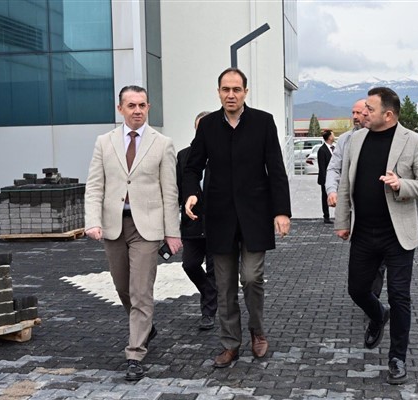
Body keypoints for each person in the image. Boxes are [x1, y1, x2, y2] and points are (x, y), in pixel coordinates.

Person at [182, 67, 291, 368]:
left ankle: (257, 330)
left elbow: (276, 169)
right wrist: (191, 194)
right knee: (225, 284)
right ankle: (230, 343)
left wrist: (281, 211)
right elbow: (192, 167)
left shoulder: (263, 122)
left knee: (252, 278)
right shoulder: (207, 126)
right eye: (225, 89)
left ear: (245, 92)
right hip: (219, 217)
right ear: (218, 92)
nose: (231, 95)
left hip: (255, 215)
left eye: (236, 89)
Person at [334, 87, 418, 385]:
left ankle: (397, 358)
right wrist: (342, 221)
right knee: (357, 290)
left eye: (369, 108)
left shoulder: (414, 141)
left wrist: (401, 184)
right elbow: (345, 184)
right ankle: (379, 315)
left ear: (388, 115)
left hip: (398, 235)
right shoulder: (356, 140)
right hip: (364, 233)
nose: (363, 112)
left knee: (399, 296)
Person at [84, 85, 183, 382]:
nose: (137, 110)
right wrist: (92, 221)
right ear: (120, 109)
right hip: (113, 225)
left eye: (142, 105)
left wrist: (172, 232)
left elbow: (170, 191)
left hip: (147, 228)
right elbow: (95, 186)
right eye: (131, 105)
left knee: (141, 290)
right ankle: (145, 325)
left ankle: (135, 353)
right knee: (122, 287)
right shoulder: (104, 142)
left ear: (148, 107)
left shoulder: (162, 144)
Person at [326, 99, 386, 299]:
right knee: (362, 263)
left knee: (380, 263)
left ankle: (374, 300)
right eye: (353, 112)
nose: (355, 116)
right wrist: (331, 190)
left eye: (359, 112)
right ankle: (367, 296)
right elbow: (334, 168)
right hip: (356, 212)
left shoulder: (383, 138)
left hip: (382, 212)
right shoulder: (346, 140)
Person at [176, 111, 218, 330]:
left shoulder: (222, 155)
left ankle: (208, 313)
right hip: (191, 223)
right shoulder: (184, 156)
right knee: (190, 264)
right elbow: (177, 189)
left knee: (214, 270)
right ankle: (210, 292)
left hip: (217, 224)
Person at [317, 129, 335, 224]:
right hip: (325, 178)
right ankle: (326, 217)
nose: (334, 136)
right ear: (329, 137)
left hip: (335, 177)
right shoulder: (322, 150)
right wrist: (325, 180)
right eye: (333, 135)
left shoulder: (335, 148)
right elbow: (322, 167)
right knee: (325, 198)